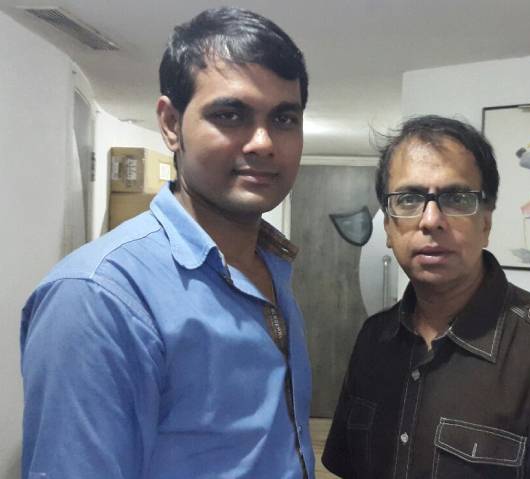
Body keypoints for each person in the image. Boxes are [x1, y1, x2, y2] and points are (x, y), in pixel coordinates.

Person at [21, 8, 314, 479]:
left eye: (284, 118)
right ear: (172, 124)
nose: (263, 142)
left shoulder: (271, 265)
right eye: (230, 115)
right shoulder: (99, 298)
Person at [322, 115, 530, 478]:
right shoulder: (374, 340)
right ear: (388, 227)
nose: (430, 219)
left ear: (486, 223)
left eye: (456, 198)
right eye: (409, 199)